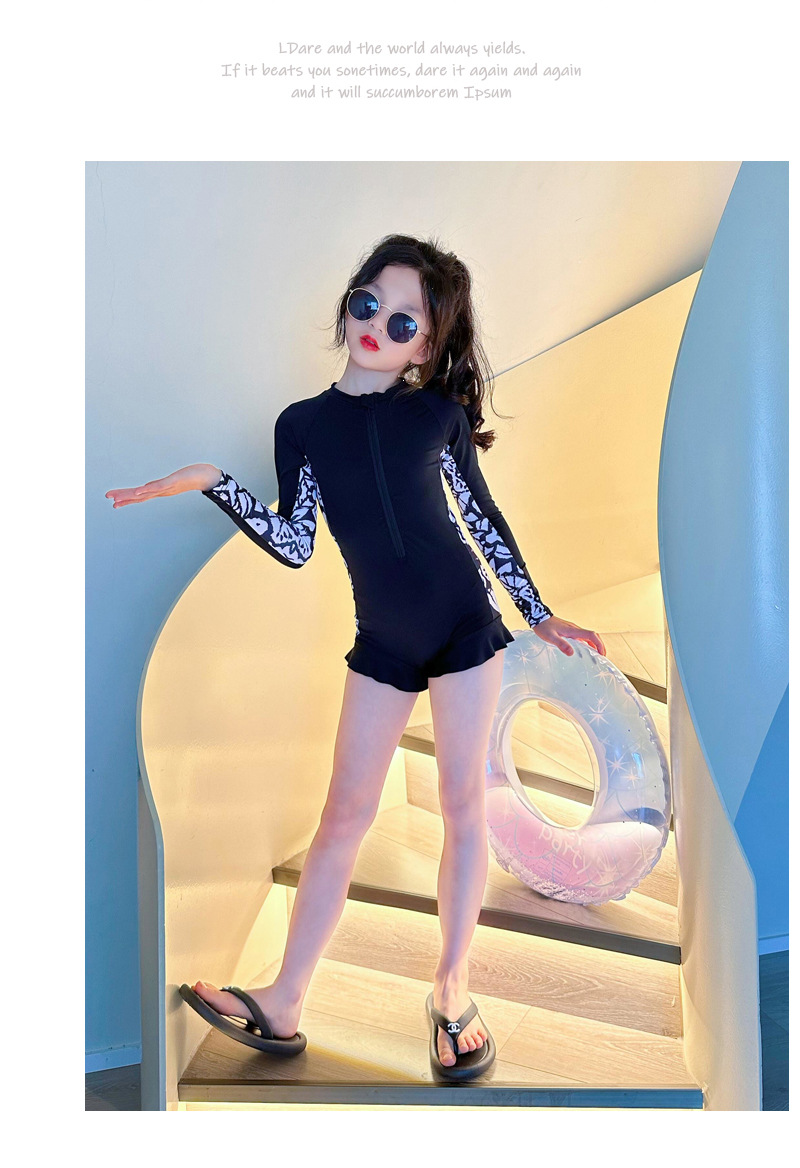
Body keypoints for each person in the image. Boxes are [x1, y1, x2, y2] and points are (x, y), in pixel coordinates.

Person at [107, 233, 604, 1080]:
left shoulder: (437, 417)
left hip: (462, 626)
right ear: (348, 304)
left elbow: (481, 520)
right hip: (382, 640)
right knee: (342, 817)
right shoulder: (301, 426)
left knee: (461, 806)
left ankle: (452, 993)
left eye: (404, 321)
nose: (378, 325)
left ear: (426, 348)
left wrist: (538, 613)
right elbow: (296, 540)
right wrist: (213, 483)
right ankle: (284, 1000)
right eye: (368, 304)